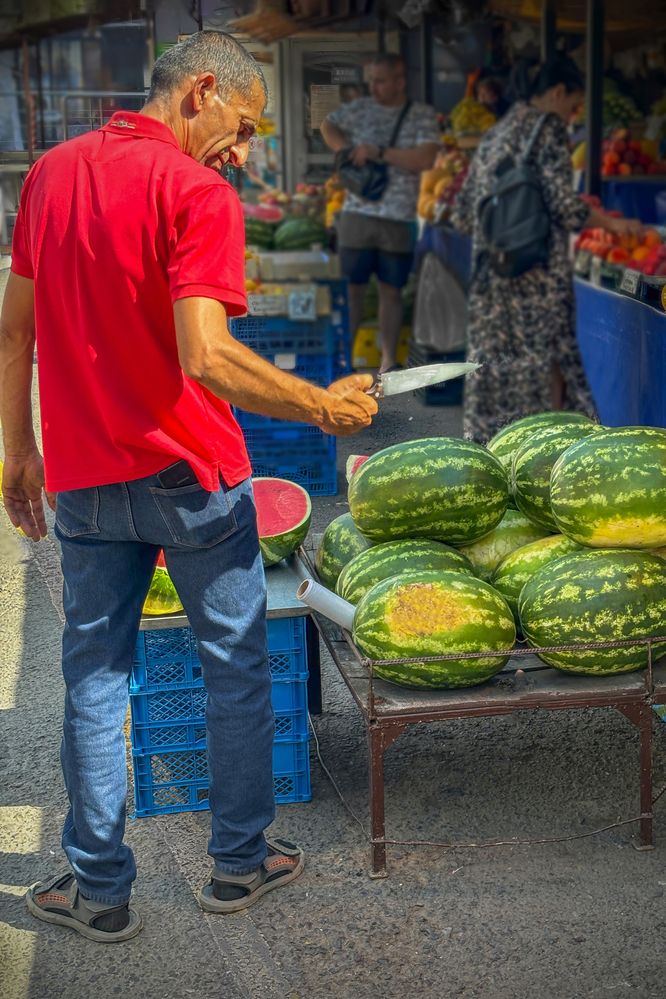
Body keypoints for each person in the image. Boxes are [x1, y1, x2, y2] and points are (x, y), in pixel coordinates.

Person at [0, 31, 377, 943]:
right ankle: (239, 866)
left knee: (94, 676)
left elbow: (13, 333)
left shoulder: (50, 173)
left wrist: (18, 449)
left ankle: (99, 891)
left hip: (88, 477)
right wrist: (319, 406)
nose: (242, 153)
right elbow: (204, 354)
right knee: (234, 665)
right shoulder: (197, 191)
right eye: (243, 127)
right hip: (194, 475)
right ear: (202, 91)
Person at [451, 55, 642, 442]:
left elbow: (462, 213)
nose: (573, 115)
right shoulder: (547, 129)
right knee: (540, 375)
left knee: (496, 371)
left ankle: (488, 453)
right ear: (557, 93)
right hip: (534, 278)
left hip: (494, 274)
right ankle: (541, 456)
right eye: (573, 105)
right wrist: (613, 224)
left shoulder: (497, 133)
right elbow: (565, 206)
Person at [321, 54, 439, 374]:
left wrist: (380, 153)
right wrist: (346, 151)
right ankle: (344, 357)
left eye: (381, 81)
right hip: (357, 213)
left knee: (391, 291)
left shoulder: (421, 115)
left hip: (398, 217)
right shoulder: (360, 108)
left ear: (400, 82)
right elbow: (327, 124)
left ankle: (388, 360)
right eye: (371, 80)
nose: (373, 87)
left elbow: (426, 159)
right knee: (353, 290)